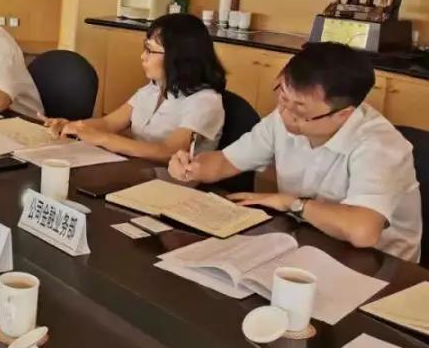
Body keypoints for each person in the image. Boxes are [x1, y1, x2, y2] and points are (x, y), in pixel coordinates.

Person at [169, 42, 422, 261]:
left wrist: (293, 203)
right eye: (283, 98)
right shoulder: (283, 117)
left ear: (343, 114)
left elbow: (363, 231)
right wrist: (193, 167)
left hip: (377, 267)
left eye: (300, 110)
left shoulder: (380, 146)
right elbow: (226, 161)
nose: (285, 115)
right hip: (306, 242)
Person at [45, 14, 226, 161]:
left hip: (171, 185)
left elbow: (168, 151)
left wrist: (103, 139)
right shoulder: (153, 89)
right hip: (135, 170)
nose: (142, 56)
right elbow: (109, 123)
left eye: (150, 50)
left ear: (178, 57)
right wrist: (72, 126)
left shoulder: (206, 102)